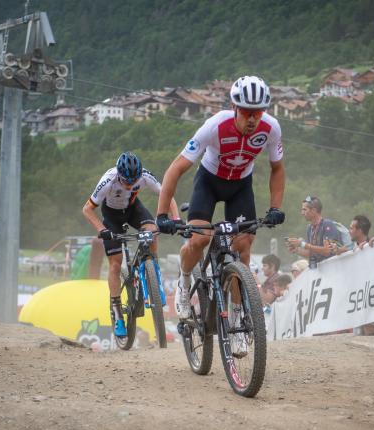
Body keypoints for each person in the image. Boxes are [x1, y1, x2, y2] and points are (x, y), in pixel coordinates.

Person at [154, 75, 286, 329]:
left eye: (257, 113)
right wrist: (162, 214)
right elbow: (175, 168)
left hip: (240, 186)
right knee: (200, 239)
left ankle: (238, 313)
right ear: (235, 107)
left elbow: (277, 169)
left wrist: (275, 208)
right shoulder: (214, 125)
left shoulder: (271, 128)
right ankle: (184, 282)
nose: (252, 119)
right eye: (247, 112)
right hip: (209, 183)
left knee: (243, 245)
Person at [82, 151, 179, 337]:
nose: (130, 185)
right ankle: (118, 314)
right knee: (116, 265)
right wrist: (102, 230)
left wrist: (175, 218)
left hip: (134, 209)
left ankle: (153, 272)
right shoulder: (108, 180)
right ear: (119, 175)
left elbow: (167, 192)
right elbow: (87, 209)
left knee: (152, 232)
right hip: (112, 217)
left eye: (133, 181)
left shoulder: (144, 176)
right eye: (126, 181)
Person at [286, 196, 342, 267]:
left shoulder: (327, 224)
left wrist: (302, 244)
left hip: (332, 268)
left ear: (314, 210)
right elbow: (311, 253)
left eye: (304, 210)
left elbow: (327, 251)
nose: (302, 213)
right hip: (320, 271)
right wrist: (297, 250)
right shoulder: (310, 228)